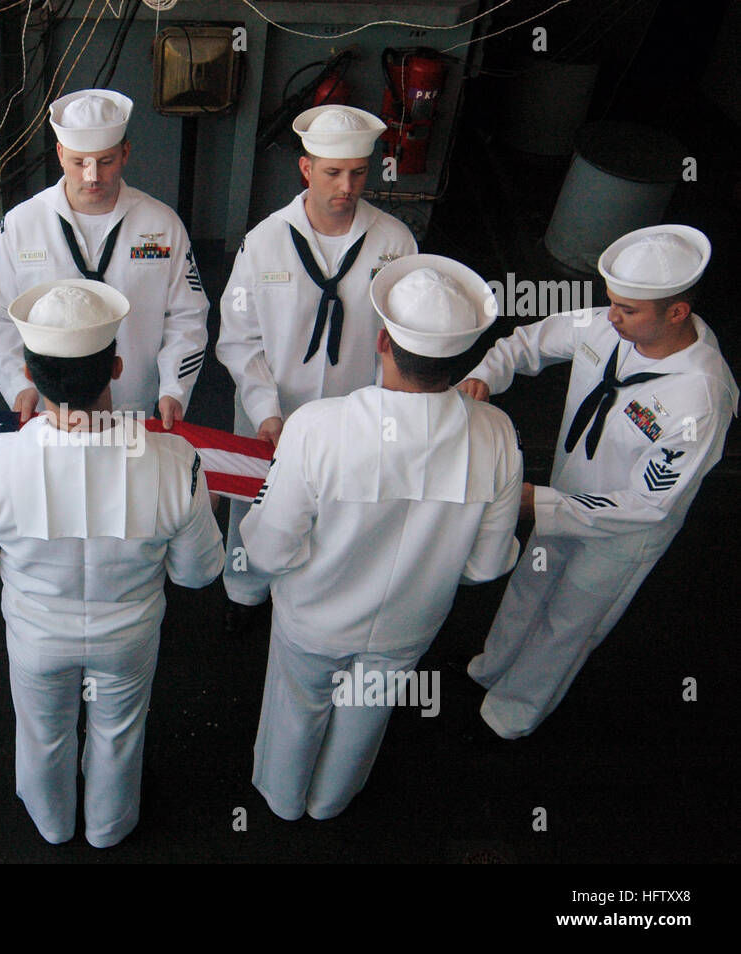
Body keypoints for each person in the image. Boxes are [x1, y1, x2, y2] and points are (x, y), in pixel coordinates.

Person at [0, 279, 224, 848]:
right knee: (120, 731)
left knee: (42, 731)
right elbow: (199, 573)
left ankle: (51, 823)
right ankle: (109, 827)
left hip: (36, 635)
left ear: (26, 370)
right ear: (117, 368)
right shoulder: (175, 460)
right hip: (129, 634)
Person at [240, 254, 522, 821]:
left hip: (314, 617)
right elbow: (488, 565)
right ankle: (330, 801)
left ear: (383, 343)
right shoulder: (496, 433)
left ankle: (284, 798)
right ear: (461, 356)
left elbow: (270, 547)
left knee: (298, 707)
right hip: (409, 623)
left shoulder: (317, 426)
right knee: (367, 713)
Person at [458, 225, 738, 739]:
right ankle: (493, 667)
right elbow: (526, 344)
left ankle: (514, 711)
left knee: (568, 623)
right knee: (529, 585)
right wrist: (484, 376)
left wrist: (540, 504)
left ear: (675, 312)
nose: (611, 317)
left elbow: (647, 504)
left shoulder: (699, 398)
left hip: (622, 535)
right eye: (611, 303)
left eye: (627, 309)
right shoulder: (610, 326)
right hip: (562, 493)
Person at [217, 105, 417, 633]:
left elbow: (398, 343)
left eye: (358, 173)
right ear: (306, 169)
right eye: (333, 172)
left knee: (335, 506)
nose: (347, 186)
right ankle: (245, 589)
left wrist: (380, 414)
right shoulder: (264, 241)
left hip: (355, 410)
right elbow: (239, 338)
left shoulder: (395, 243)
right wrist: (265, 409)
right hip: (273, 406)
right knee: (257, 498)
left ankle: (311, 594)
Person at [0, 88, 209, 427]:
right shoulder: (21, 225)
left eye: (105, 161)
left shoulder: (161, 224)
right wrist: (18, 384)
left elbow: (188, 315)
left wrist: (175, 387)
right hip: (47, 407)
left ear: (125, 152)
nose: (92, 176)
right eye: (79, 162)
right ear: (59, 153)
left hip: (134, 404)